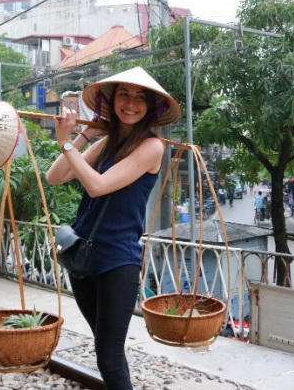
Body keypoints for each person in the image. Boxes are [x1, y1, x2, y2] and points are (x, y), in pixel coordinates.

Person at [46, 67, 180, 389]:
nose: (131, 103)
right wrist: (83, 136)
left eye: (140, 97)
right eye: (124, 94)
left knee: (108, 355)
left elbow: (97, 186)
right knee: (107, 350)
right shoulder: (106, 143)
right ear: (112, 101)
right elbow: (55, 176)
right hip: (83, 257)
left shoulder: (152, 147)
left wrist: (65, 142)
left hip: (118, 262)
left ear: (150, 107)